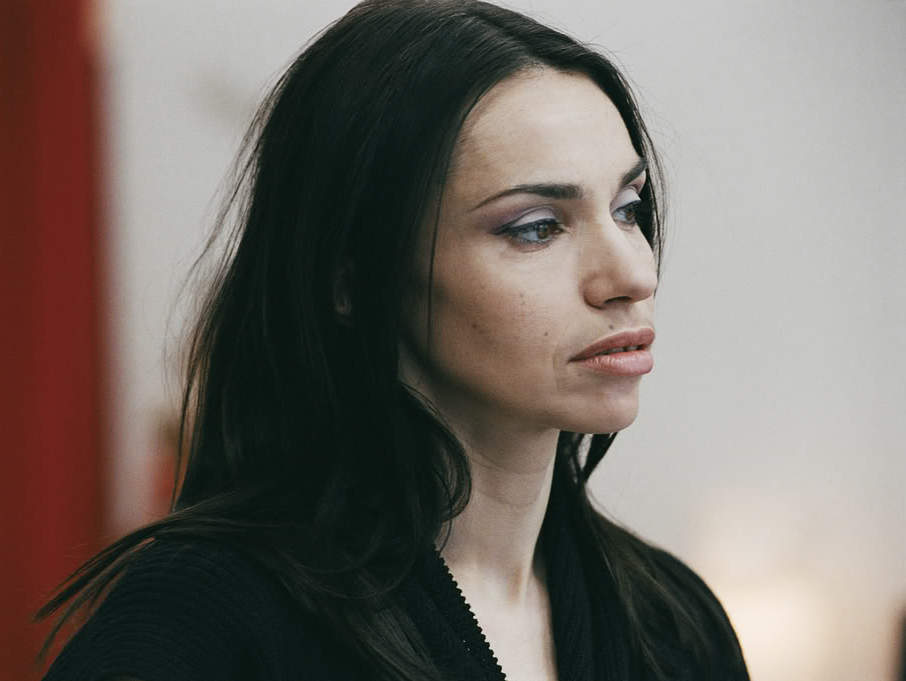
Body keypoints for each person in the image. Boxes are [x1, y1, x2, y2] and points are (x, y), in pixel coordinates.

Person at [37, 1, 750, 679]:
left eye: (628, 209)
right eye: (535, 227)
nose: (632, 274)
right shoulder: (201, 626)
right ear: (352, 278)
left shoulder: (674, 626)